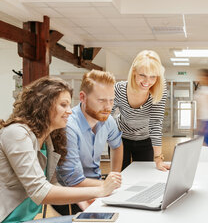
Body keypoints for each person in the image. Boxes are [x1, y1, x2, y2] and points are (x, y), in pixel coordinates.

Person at [0, 77, 121, 223]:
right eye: (63, 105)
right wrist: (100, 190)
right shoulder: (17, 133)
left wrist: (84, 199)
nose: (70, 111)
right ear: (43, 105)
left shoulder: (47, 140)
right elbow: (40, 191)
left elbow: (53, 184)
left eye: (70, 105)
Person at [55, 70, 123, 215]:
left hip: (97, 185)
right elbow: (75, 181)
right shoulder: (68, 126)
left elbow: (117, 145)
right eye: (101, 100)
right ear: (83, 97)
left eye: (111, 100)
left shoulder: (108, 120)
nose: (108, 107)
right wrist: (110, 185)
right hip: (69, 194)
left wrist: (114, 176)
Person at [112, 50, 169, 171]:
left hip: (145, 140)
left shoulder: (159, 91)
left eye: (153, 76)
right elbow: (106, 116)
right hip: (120, 138)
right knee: (119, 176)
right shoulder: (119, 89)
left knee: (143, 177)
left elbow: (155, 124)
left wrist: (158, 159)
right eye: (142, 75)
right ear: (134, 72)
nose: (147, 82)